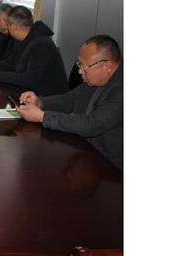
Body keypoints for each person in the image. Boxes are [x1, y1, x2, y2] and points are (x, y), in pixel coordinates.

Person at [17, 36, 123, 170]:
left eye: (84, 66)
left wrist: (43, 117)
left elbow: (91, 124)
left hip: (111, 168)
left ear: (107, 66)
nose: (80, 71)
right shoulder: (97, 79)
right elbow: (69, 100)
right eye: (79, 64)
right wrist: (40, 102)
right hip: (86, 150)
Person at [0, 6, 68, 95]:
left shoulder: (41, 44)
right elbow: (11, 63)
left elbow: (29, 79)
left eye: (7, 24)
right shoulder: (22, 39)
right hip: (27, 92)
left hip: (47, 98)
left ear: (13, 27)